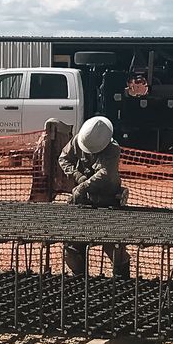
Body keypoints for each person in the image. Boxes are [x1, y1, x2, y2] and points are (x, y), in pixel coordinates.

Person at [54, 116, 132, 279]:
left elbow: (104, 173)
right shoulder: (78, 141)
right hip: (84, 202)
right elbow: (63, 158)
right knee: (73, 244)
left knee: (113, 244)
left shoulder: (112, 149)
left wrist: (83, 185)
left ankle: (121, 279)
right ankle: (80, 280)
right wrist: (77, 175)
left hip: (108, 201)